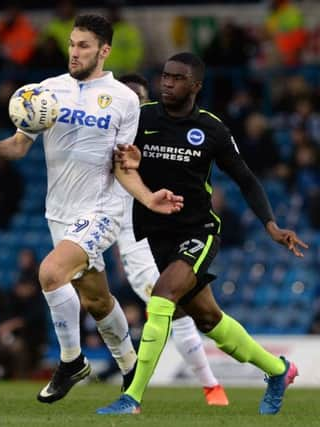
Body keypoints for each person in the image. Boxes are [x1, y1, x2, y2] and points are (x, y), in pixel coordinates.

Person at [0, 14, 183, 404]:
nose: (74, 52)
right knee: (96, 300)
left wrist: (147, 197)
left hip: (102, 210)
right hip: (59, 212)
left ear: (104, 50)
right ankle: (132, 367)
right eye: (71, 44)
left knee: (50, 272)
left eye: (83, 45)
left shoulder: (125, 100)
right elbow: (19, 144)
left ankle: (71, 362)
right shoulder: (48, 91)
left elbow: (122, 165)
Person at [97, 52, 308, 416]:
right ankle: (279, 370)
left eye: (177, 78)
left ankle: (132, 397)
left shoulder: (211, 129)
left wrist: (271, 225)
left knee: (161, 296)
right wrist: (127, 163)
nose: (167, 83)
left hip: (198, 231)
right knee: (209, 319)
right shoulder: (142, 119)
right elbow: (117, 162)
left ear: (195, 86)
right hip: (157, 234)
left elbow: (245, 178)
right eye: (164, 76)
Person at [113, 72, 229, 405]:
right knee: (88, 292)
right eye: (128, 97)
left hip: (151, 227)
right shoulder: (104, 130)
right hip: (109, 224)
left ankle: (210, 385)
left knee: (170, 305)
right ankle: (117, 371)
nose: (134, 104)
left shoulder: (155, 130)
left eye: (140, 99)